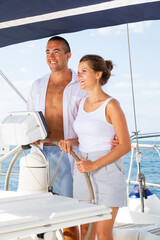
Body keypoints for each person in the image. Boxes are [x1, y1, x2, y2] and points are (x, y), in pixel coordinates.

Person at [59, 54, 131, 240]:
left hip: (106, 171)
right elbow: (82, 138)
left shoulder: (111, 105)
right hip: (83, 169)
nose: (79, 76)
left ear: (98, 75)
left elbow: (125, 145)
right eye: (79, 72)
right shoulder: (81, 103)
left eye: (84, 71)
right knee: (85, 233)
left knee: (103, 234)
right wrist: (70, 142)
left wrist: (93, 165)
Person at [27, 36, 87, 240]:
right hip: (43, 154)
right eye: (47, 52)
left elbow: (94, 117)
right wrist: (31, 136)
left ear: (68, 56)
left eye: (56, 51)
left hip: (70, 155)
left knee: (69, 214)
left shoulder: (80, 85)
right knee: (43, 213)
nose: (51, 56)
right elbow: (30, 119)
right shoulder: (37, 85)